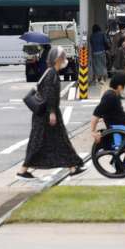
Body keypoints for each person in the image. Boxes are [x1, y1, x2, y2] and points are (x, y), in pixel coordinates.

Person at [18, 47, 86, 179]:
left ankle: (73, 167)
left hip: (47, 114)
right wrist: (52, 113)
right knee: (38, 142)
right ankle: (22, 170)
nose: (65, 60)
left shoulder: (52, 73)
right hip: (46, 115)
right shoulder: (51, 74)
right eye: (63, 57)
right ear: (57, 59)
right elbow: (49, 95)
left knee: (59, 141)